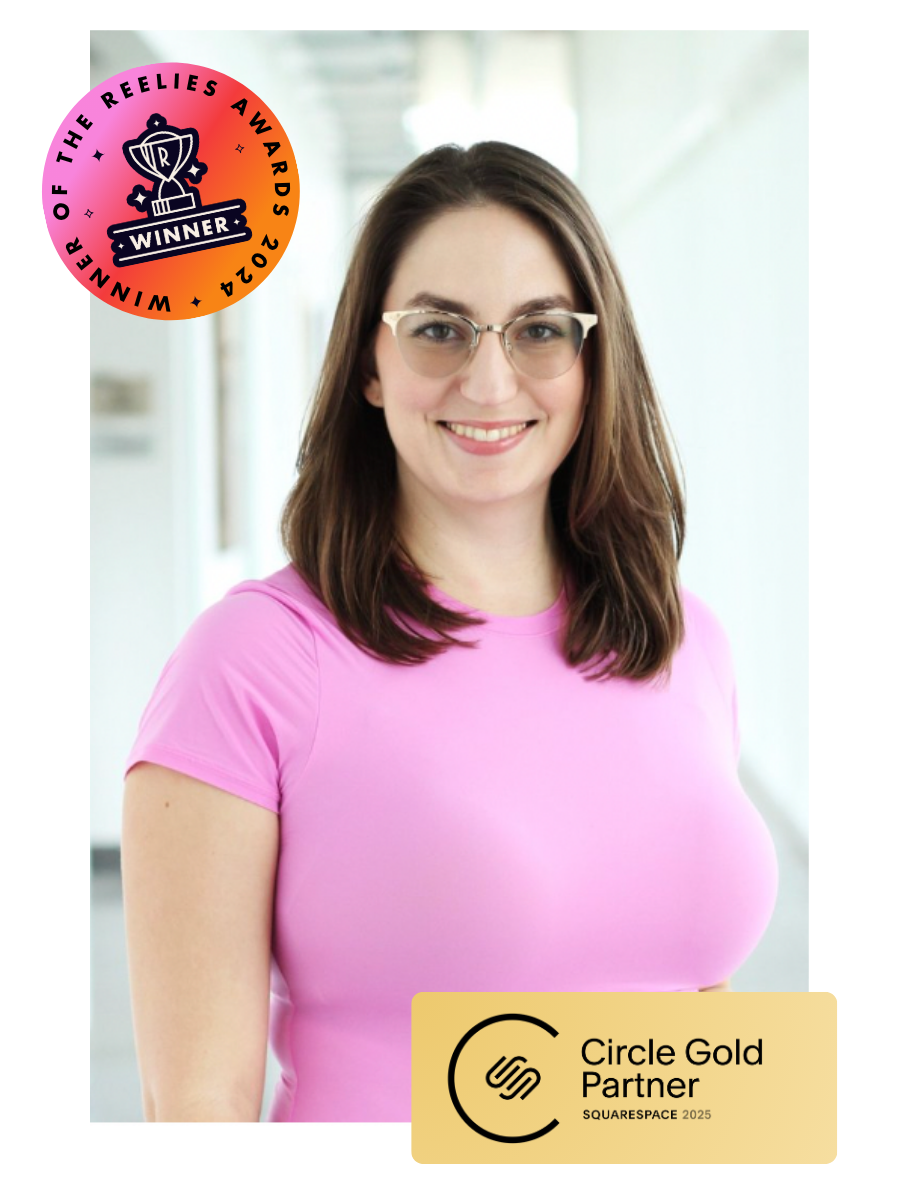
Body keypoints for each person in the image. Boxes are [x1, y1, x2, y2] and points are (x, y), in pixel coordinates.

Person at [122, 141, 778, 1123]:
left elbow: (688, 1032)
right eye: (438, 329)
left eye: (539, 331)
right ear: (370, 366)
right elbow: (199, 1109)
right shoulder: (253, 665)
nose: (488, 382)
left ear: (594, 362)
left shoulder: (684, 641)